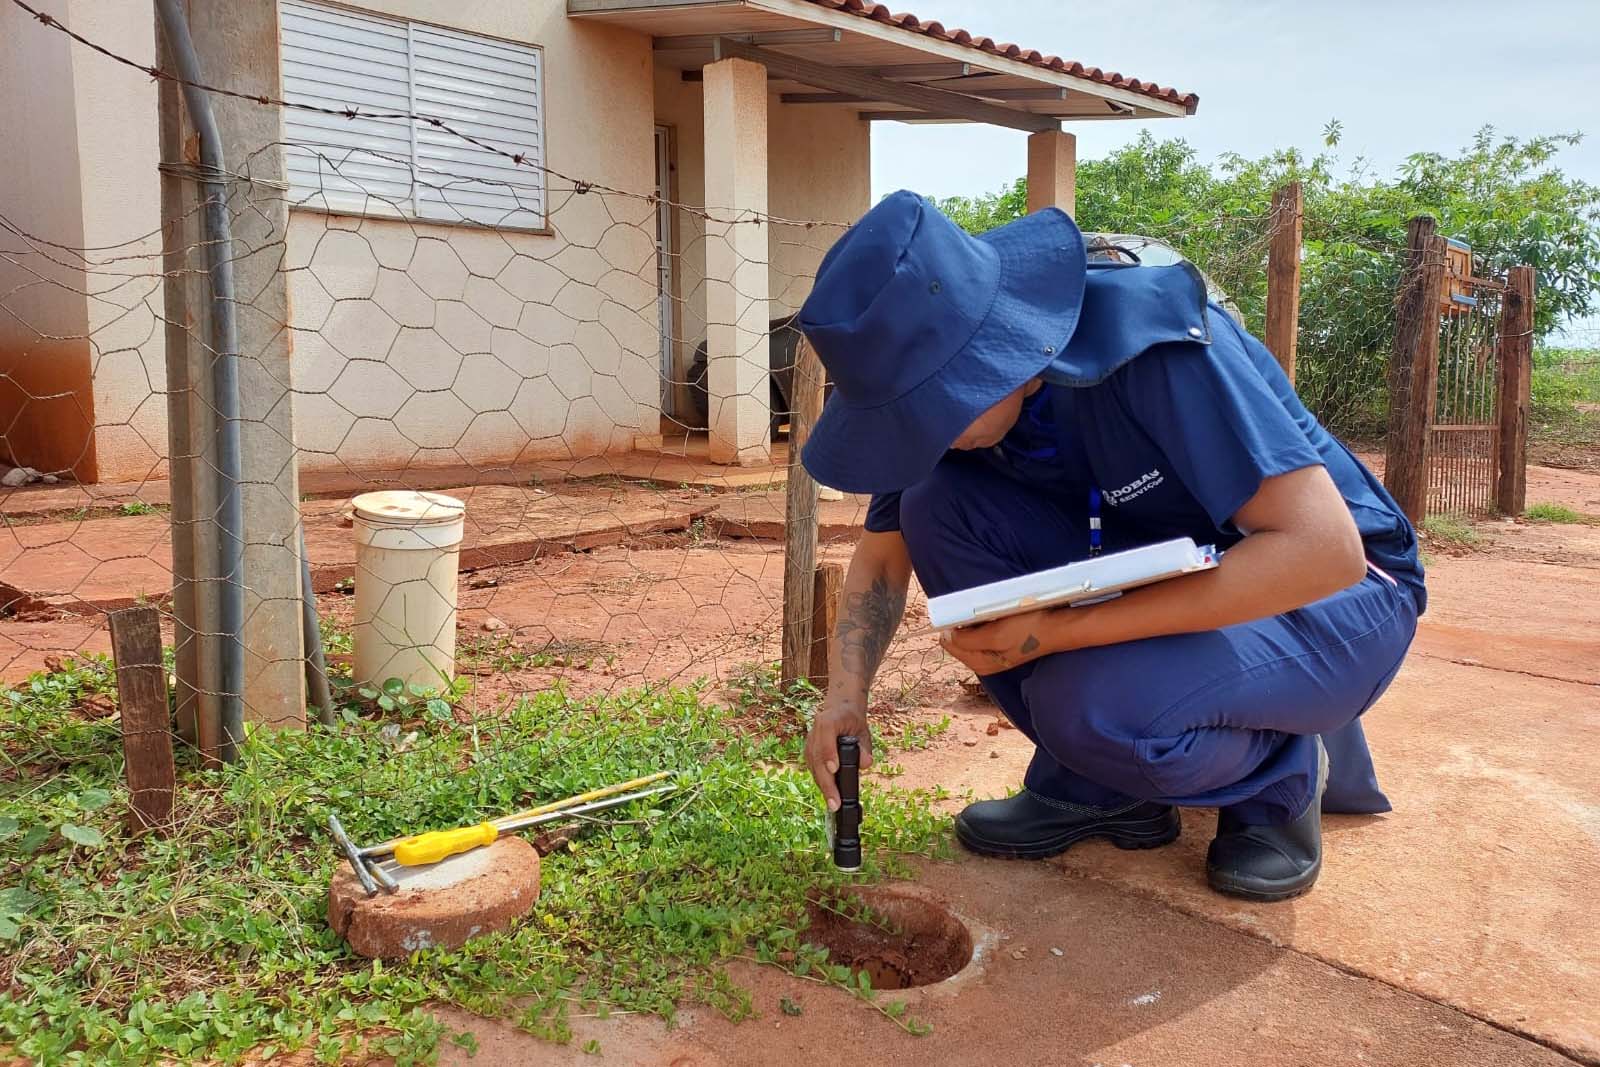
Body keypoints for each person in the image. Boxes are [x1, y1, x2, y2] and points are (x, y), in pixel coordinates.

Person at [796, 192, 1424, 901]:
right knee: (934, 505)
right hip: (1170, 567)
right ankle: (1102, 783)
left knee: (1090, 705)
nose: (927, 435)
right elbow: (885, 555)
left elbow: (1323, 550)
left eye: (934, 409)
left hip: (1337, 594)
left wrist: (1058, 630)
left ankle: (1280, 776)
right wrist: (843, 697)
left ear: (993, 350)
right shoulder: (949, 425)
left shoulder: (1148, 341)